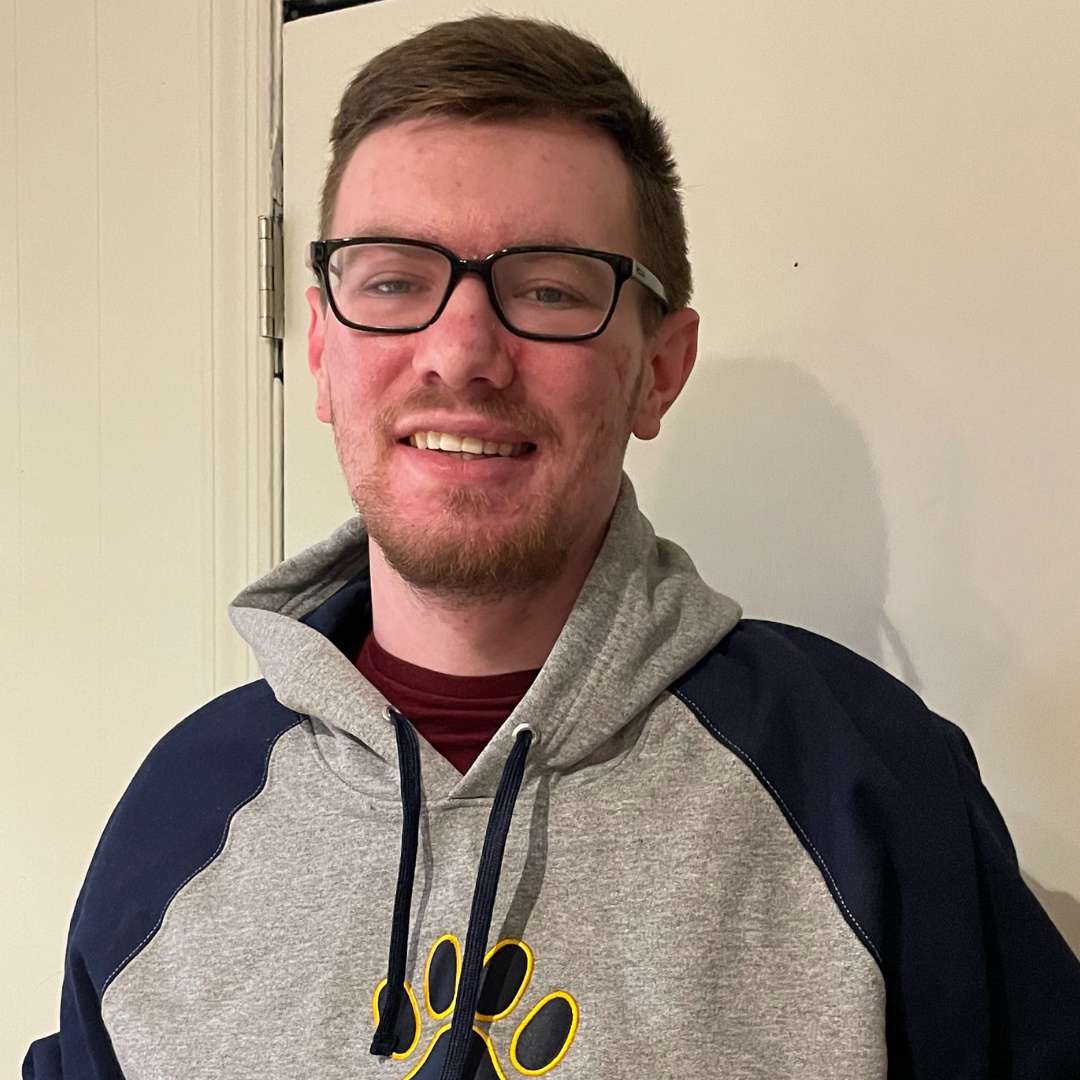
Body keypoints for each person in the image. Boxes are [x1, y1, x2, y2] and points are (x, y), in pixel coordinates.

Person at [24, 15, 1080, 1080]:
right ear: (322, 348)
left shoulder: (870, 782)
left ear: (659, 371)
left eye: (549, 289)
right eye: (392, 281)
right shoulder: (177, 818)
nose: (461, 354)